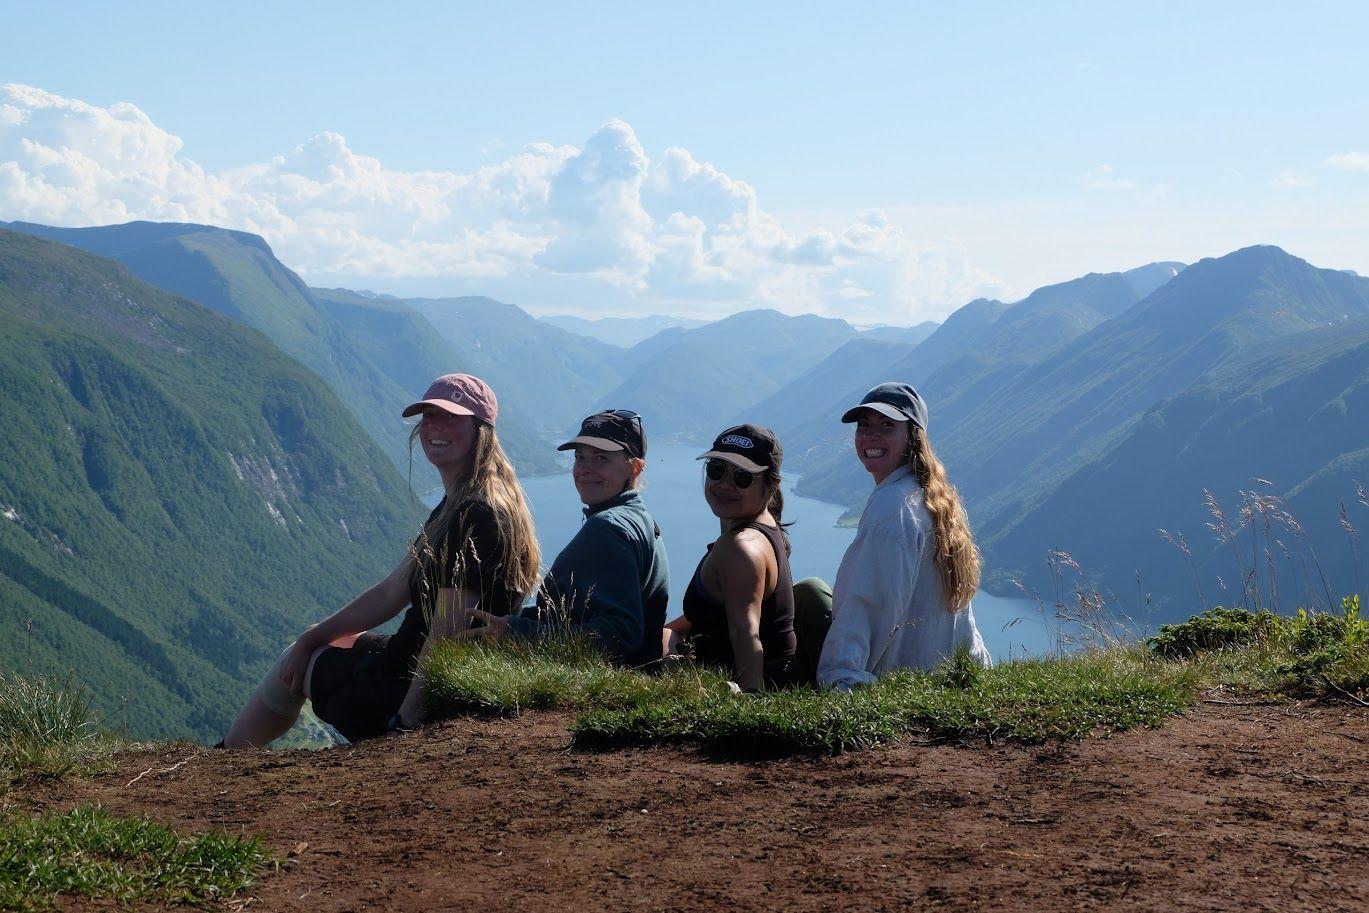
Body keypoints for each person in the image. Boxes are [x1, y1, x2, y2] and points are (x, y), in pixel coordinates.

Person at [221, 374, 540, 746]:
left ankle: (225, 759)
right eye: (430, 416)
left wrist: (404, 723)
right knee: (317, 642)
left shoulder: (475, 514)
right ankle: (229, 756)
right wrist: (312, 637)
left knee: (296, 662)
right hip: (420, 664)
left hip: (410, 687)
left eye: (451, 417)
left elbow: (447, 636)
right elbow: (391, 592)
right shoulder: (469, 500)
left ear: (481, 430)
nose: (436, 427)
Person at [809, 382, 990, 692]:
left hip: (895, 680)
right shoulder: (934, 499)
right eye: (863, 425)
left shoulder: (892, 507)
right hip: (945, 677)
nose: (870, 435)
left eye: (886, 426)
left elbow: (867, 602)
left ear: (911, 437)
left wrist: (840, 676)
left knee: (808, 597)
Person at [455, 410, 669, 668]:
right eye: (580, 457)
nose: (584, 469)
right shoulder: (641, 520)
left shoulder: (608, 528)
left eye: (600, 458)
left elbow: (618, 636)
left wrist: (516, 631)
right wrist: (514, 620)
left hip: (607, 684)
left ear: (634, 468)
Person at [663, 424, 797, 691]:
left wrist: (750, 697)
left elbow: (745, 632)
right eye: (716, 470)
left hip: (736, 683)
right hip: (773, 677)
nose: (725, 484)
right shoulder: (767, 531)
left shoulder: (740, 548)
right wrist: (668, 636)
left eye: (742, 477)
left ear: (771, 486)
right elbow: (715, 616)